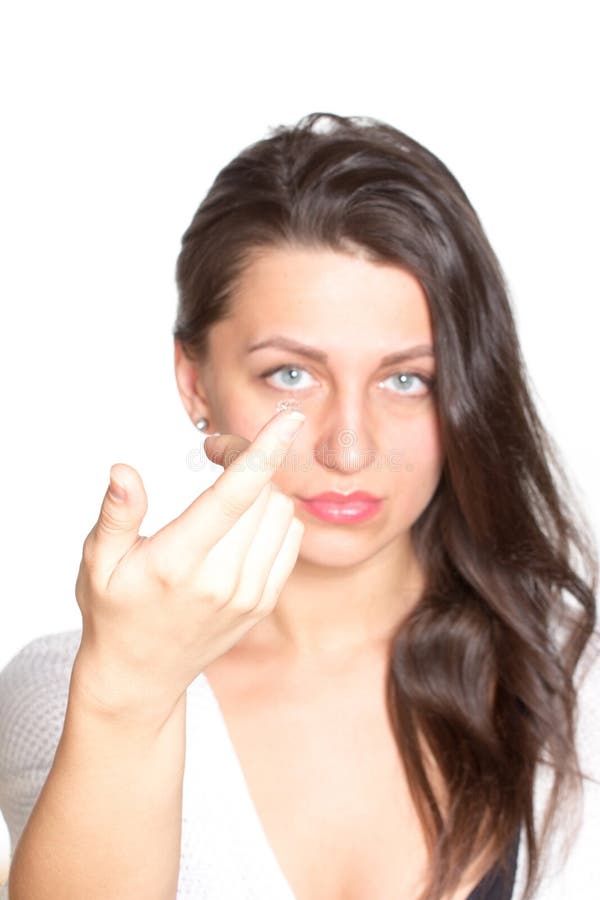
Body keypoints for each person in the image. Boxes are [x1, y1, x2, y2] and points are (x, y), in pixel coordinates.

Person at [0, 111, 598, 900]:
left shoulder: (577, 683)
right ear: (195, 383)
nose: (348, 449)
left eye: (406, 379)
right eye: (291, 374)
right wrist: (129, 691)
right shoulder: (74, 690)